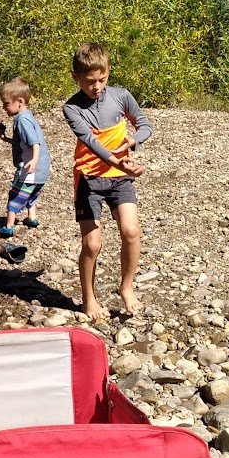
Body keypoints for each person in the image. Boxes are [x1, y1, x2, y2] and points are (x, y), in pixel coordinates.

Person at [62, 42, 153, 321]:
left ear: (108, 72)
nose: (97, 87)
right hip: (89, 180)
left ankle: (126, 287)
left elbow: (145, 124)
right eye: (90, 82)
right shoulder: (72, 108)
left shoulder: (122, 96)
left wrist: (134, 139)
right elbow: (90, 143)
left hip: (119, 179)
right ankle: (89, 300)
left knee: (131, 231)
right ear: (76, 78)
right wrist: (116, 160)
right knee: (92, 245)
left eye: (102, 79)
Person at [0, 78, 50, 234]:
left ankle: (8, 227)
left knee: (15, 194)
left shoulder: (22, 120)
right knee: (31, 193)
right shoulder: (27, 116)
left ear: (19, 101)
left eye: (6, 103)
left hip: (31, 168)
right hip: (42, 168)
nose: (4, 107)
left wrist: (33, 160)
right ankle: (31, 218)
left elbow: (34, 143)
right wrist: (4, 138)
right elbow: (23, 143)